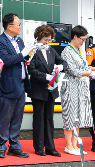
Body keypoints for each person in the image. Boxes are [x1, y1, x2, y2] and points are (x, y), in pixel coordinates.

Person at [0, 13, 34, 158]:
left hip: (21, 84)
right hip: (8, 84)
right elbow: (5, 60)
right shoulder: (0, 42)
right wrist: (23, 54)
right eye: (18, 25)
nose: (20, 27)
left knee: (17, 117)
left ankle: (15, 145)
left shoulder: (19, 41)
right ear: (9, 27)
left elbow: (22, 58)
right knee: (5, 117)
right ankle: (1, 146)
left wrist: (29, 53)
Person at [28, 24, 67, 156]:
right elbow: (31, 70)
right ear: (39, 38)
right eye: (45, 40)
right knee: (39, 118)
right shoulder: (33, 51)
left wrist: (61, 67)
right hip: (38, 89)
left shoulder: (51, 50)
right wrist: (45, 76)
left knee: (49, 118)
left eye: (49, 40)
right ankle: (39, 146)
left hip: (51, 90)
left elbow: (63, 62)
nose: (47, 42)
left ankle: (50, 146)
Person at [60, 25, 95, 155]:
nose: (83, 42)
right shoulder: (67, 51)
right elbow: (73, 70)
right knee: (70, 115)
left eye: (85, 39)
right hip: (70, 85)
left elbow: (86, 67)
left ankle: (75, 144)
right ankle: (68, 145)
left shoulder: (79, 51)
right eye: (82, 39)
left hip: (81, 86)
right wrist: (90, 73)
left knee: (78, 116)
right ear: (75, 36)